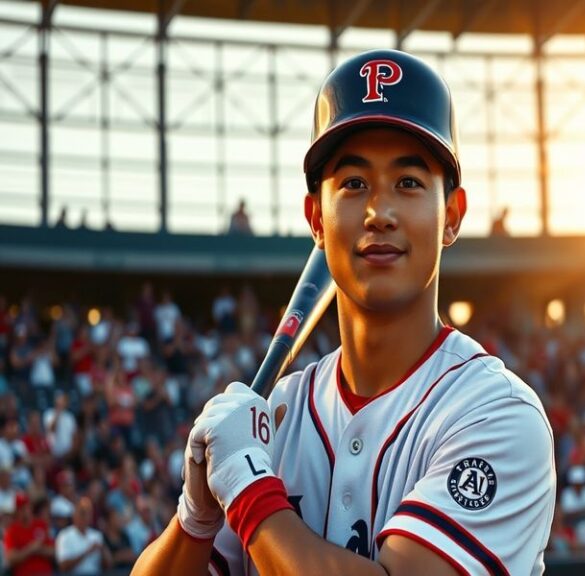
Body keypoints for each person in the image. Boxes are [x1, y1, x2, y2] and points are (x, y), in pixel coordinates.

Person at [133, 49, 556, 575]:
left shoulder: (495, 413)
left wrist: (249, 492)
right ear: (316, 218)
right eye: (353, 184)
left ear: (452, 215)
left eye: (408, 183)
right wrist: (194, 520)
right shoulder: (278, 415)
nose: (379, 213)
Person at [55, 496, 112, 575]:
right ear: (74, 515)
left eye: (88, 513)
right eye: (82, 513)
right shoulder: (64, 536)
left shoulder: (97, 535)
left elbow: (108, 566)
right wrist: (86, 552)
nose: (85, 517)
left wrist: (103, 550)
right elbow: (63, 566)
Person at [3, 492, 55, 576]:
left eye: (26, 507)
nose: (25, 511)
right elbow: (10, 559)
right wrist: (30, 549)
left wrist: (39, 550)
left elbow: (54, 552)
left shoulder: (41, 525)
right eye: (21, 508)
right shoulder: (12, 530)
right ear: (16, 511)